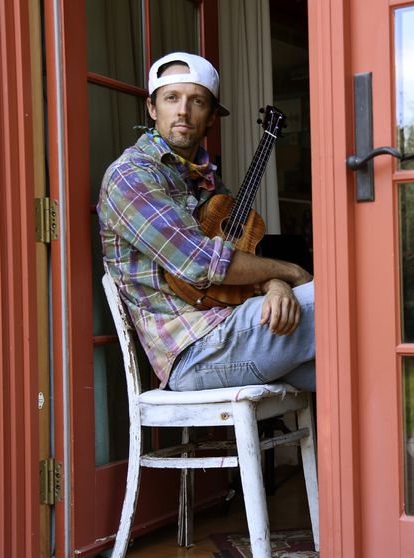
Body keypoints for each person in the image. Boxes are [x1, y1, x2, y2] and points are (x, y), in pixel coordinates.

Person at [97, 52, 315, 393]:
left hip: (235, 326)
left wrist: (275, 284)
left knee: (348, 371)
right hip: (195, 350)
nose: (183, 111)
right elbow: (201, 264)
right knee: (343, 299)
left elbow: (238, 258)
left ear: (212, 116)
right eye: (172, 98)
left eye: (196, 101)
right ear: (153, 109)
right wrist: (291, 272)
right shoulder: (131, 176)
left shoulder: (203, 180)